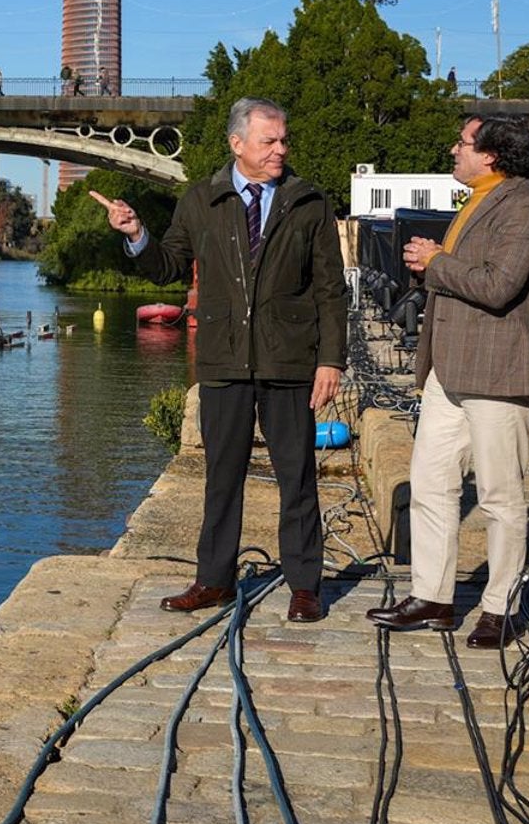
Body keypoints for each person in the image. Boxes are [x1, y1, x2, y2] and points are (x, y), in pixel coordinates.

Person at [90, 97, 345, 622]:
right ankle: (214, 581)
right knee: (220, 475)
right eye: (268, 141)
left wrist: (331, 361)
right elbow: (168, 267)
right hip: (224, 361)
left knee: (296, 475)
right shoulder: (201, 199)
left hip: (289, 362)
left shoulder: (308, 202)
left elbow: (330, 291)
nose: (280, 150)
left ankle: (304, 585)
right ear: (237, 144)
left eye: (283, 140)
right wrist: (136, 233)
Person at [367, 115, 529, 648]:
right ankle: (433, 597)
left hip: (497, 372)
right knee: (429, 486)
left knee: (499, 498)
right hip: (448, 372)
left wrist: (437, 261)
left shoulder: (528, 206)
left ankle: (499, 606)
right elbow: (458, 277)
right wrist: (424, 267)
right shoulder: (476, 200)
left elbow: (499, 287)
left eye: (463, 143)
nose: (453, 150)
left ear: (492, 154)